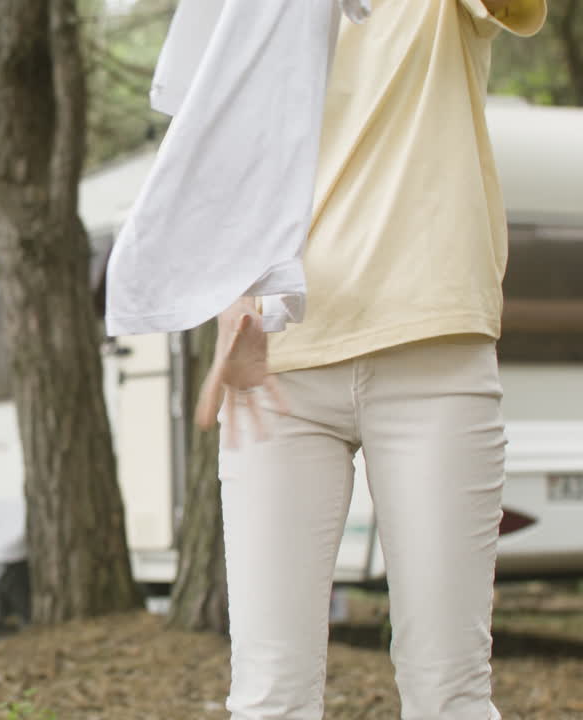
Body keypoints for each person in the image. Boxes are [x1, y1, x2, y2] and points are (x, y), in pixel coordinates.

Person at [193, 1, 547, 718]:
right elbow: (224, 160)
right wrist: (233, 302)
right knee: (269, 698)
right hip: (281, 368)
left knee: (449, 691)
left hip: (433, 356)